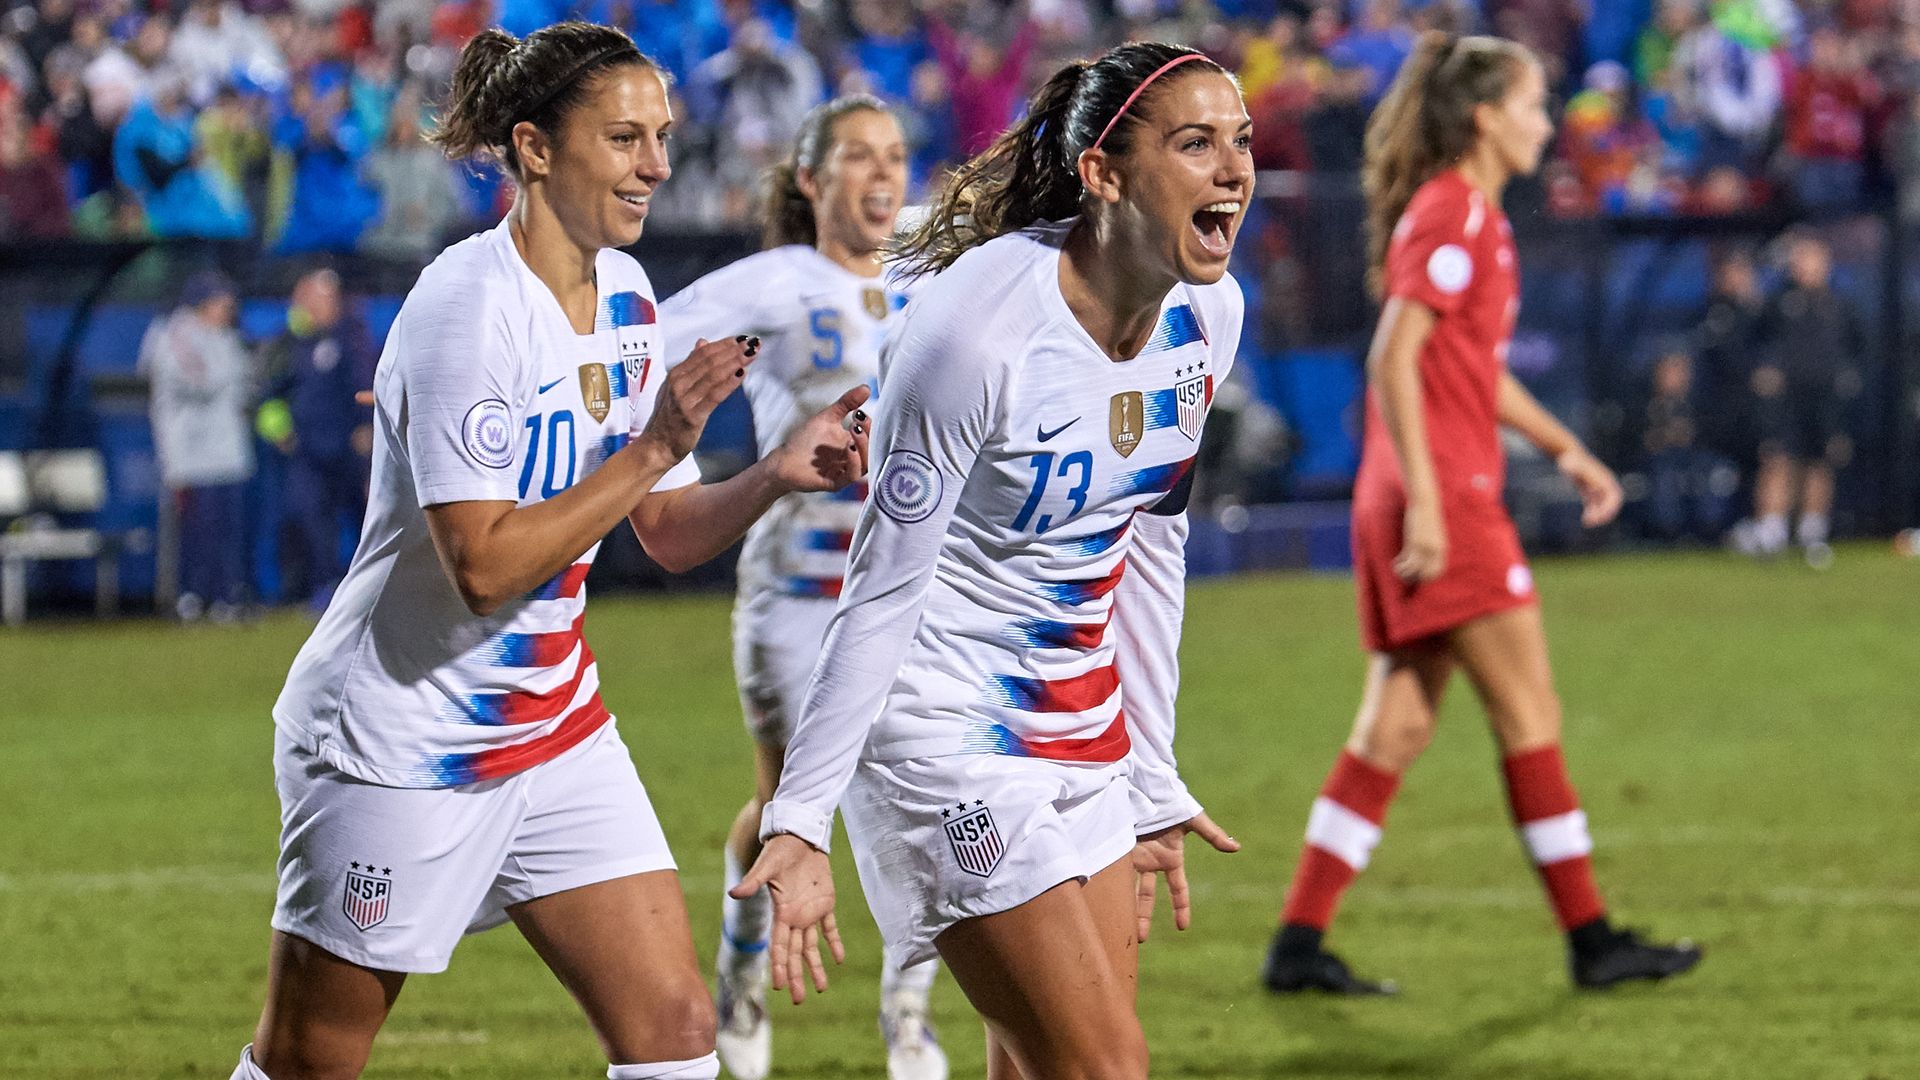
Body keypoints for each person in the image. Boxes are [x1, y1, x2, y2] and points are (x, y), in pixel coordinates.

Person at [224, 22, 871, 1080]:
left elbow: (665, 530)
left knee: (675, 1034)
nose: (657, 165)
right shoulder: (469, 307)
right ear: (533, 147)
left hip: (554, 728)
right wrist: (653, 444)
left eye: (662, 137)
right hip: (401, 739)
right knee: (308, 1059)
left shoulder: (628, 299)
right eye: (624, 138)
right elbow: (482, 567)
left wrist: (773, 473)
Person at [736, 41, 1246, 1079]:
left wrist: (1151, 773)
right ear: (1102, 173)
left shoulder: (1209, 316)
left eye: (1240, 141)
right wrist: (798, 817)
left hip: (1083, 729)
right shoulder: (977, 330)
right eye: (1195, 144)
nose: (1234, 169)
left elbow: (1151, 548)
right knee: (1106, 1067)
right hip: (940, 732)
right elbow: (881, 588)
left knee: (1036, 1065)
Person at [1259, 32, 1704, 996]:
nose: (1547, 122)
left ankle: (1297, 944)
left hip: (1416, 494)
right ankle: (1592, 940)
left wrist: (1564, 448)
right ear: (1486, 118)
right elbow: (1392, 356)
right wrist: (1428, 501)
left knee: (1396, 727)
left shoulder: (1465, 215)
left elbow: (1468, 370)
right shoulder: (1456, 213)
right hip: (1445, 500)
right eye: (1535, 105)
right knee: (1530, 715)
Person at [657, 95, 945, 1080]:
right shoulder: (776, 283)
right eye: (858, 157)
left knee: (934, 799)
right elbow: (639, 343)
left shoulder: (931, 264)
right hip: (799, 590)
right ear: (812, 180)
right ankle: (741, 969)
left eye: (895, 155)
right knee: (783, 802)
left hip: (914, 592)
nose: (883, 174)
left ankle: (909, 1012)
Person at [1729, 231, 1863, 568]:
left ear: (1826, 263)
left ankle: (1812, 533)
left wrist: (1845, 377)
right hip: (1784, 397)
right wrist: (1763, 371)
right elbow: (1750, 341)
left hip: (1824, 396)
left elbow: (1859, 347)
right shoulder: (1778, 303)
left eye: (1811, 258)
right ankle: (1771, 532)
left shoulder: (1840, 305)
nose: (1804, 266)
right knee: (1777, 459)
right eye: (1799, 259)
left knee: (1820, 462)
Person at [257, 267, 378, 611]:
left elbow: (366, 385)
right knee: (311, 516)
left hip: (349, 448)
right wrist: (280, 430)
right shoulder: (292, 342)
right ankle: (325, 585)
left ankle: (370, 590)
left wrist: (366, 427)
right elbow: (270, 391)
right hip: (309, 449)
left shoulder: (353, 337)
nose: (311, 306)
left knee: (365, 519)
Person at [139, 269, 255, 621]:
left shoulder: (227, 336)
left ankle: (225, 596)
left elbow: (245, 385)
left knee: (228, 530)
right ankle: (191, 597)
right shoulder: (176, 333)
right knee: (198, 531)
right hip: (193, 454)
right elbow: (202, 380)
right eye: (222, 301)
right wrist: (239, 369)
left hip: (228, 450)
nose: (228, 308)